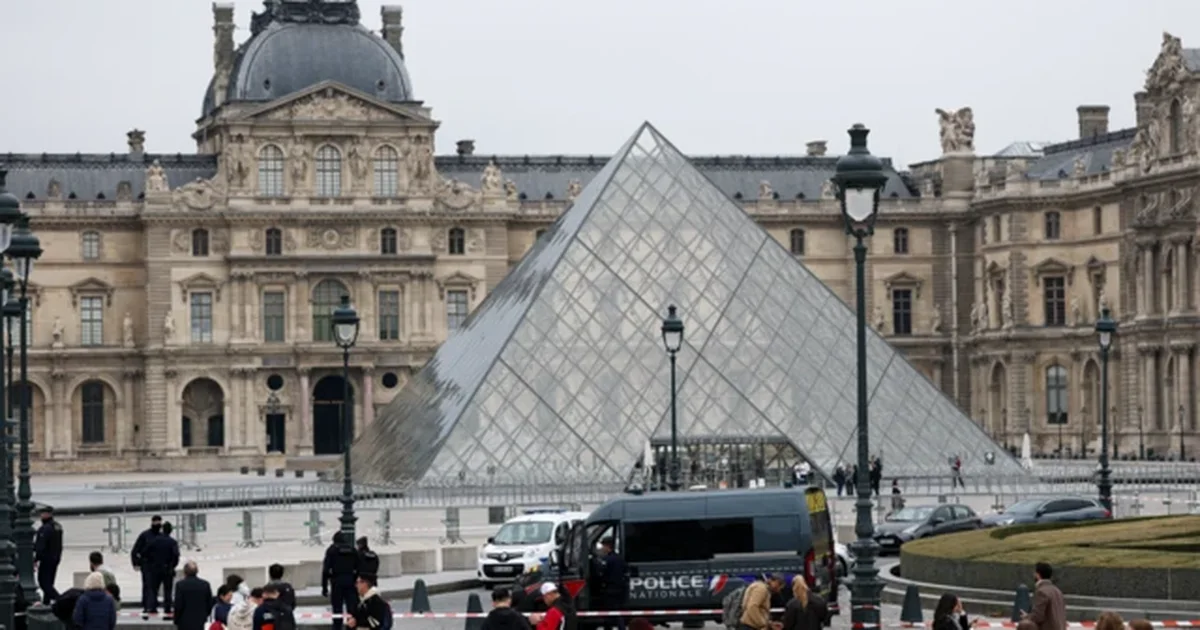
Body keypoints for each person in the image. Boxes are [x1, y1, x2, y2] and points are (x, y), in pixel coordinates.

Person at [323, 532, 359, 630]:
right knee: (351, 609)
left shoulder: (332, 550)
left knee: (337, 609)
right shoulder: (352, 550)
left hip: (337, 582)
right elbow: (359, 568)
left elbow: (325, 570)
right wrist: (355, 580)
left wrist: (325, 587)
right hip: (350, 581)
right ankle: (351, 627)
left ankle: (337, 627)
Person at [147, 521, 181, 616]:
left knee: (154, 589)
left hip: (155, 568)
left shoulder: (154, 540)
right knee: (168, 590)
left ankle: (153, 607)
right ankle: (167, 608)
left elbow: (146, 552)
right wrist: (172, 566)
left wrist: (151, 563)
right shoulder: (172, 542)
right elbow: (176, 556)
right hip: (167, 568)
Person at [592, 537, 627, 630]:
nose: (602, 548)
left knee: (612, 613)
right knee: (614, 613)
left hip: (610, 589)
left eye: (603, 546)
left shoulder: (607, 560)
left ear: (608, 546)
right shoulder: (619, 558)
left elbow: (600, 573)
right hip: (620, 589)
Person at [1020, 562, 1065, 630]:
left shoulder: (1041, 592)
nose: (1033, 575)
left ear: (1038, 575)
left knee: (1024, 626)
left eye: (1034, 573)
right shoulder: (1057, 591)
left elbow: (1038, 616)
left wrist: (1026, 617)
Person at [132, 515, 163, 614]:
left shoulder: (161, 536)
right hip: (147, 565)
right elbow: (135, 550)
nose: (158, 524)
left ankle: (153, 605)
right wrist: (136, 563)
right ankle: (147, 605)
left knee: (155, 586)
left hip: (158, 565)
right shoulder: (145, 535)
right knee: (148, 585)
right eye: (156, 522)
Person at [34, 506, 64, 603]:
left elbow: (40, 546)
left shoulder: (45, 529)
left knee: (44, 583)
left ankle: (61, 600)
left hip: (46, 559)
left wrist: (36, 559)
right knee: (49, 583)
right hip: (55, 558)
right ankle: (46, 603)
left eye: (42, 513)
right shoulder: (57, 526)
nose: (41, 515)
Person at [173, 561, 214, 630]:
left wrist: (176, 619)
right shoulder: (205, 585)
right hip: (201, 620)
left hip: (184, 621)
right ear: (197, 571)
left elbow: (178, 604)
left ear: (185, 572)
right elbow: (209, 603)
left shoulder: (180, 585)